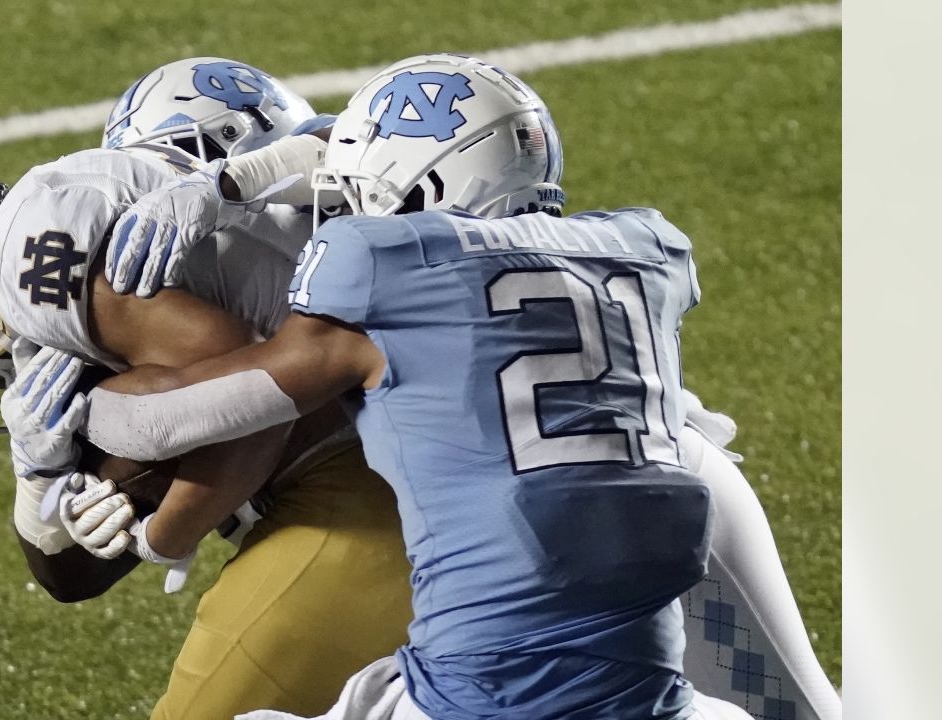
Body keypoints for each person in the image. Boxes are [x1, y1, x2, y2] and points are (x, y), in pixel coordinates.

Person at [56, 53, 835, 719]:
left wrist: (59, 410)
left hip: (524, 593)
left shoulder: (378, 264)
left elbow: (196, 413)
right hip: (637, 520)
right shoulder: (645, 241)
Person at [0, 59, 417, 720]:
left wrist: (166, 528)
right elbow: (70, 572)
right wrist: (42, 483)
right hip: (454, 471)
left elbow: (262, 388)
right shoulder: (348, 190)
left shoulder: (56, 254)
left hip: (373, 496)